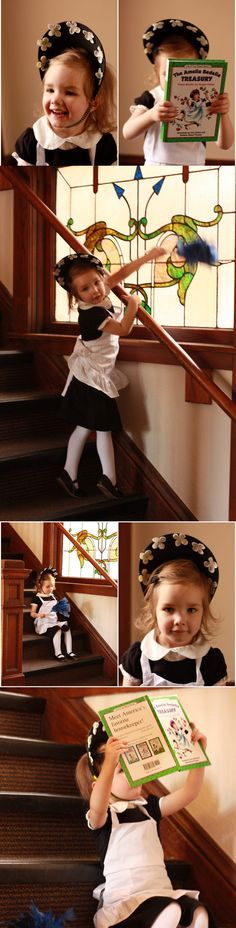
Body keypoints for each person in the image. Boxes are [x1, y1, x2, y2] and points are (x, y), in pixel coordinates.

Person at [75, 718, 217, 927]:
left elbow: (189, 793)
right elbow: (97, 805)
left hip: (161, 893)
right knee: (170, 910)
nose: (134, 776)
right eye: (122, 771)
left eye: (135, 767)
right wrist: (110, 764)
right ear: (99, 783)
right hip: (128, 903)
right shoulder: (102, 816)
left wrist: (197, 755)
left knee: (199, 913)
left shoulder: (148, 807)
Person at [54, 246, 165, 499]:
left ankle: (69, 474)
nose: (95, 290)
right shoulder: (92, 315)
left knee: (85, 428)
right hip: (91, 378)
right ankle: (108, 480)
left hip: (94, 375)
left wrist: (148, 256)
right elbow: (124, 328)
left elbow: (121, 273)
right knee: (101, 429)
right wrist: (134, 304)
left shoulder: (99, 291)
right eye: (85, 289)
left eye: (97, 282)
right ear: (75, 296)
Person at [120, 533, 228, 686]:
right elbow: (126, 703)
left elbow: (219, 705)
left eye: (191, 610)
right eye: (169, 609)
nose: (180, 620)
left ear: (203, 612)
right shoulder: (138, 657)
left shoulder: (211, 662)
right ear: (154, 611)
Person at [122, 19, 234, 165]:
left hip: (194, 168)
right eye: (165, 74)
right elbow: (127, 132)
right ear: (156, 72)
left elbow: (225, 145)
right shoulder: (151, 97)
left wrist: (223, 113)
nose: (172, 80)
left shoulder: (205, 98)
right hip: (156, 167)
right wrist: (151, 115)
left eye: (182, 73)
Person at [12, 20, 117, 166]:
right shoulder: (31, 141)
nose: (55, 99)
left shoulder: (102, 144)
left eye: (69, 92)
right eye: (50, 90)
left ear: (94, 101)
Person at [30, 565, 77, 661]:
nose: (50, 589)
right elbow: (32, 613)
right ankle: (58, 653)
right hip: (43, 623)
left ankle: (69, 651)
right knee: (58, 630)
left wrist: (61, 610)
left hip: (53, 620)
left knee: (66, 628)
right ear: (40, 585)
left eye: (52, 586)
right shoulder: (37, 598)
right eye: (47, 586)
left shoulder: (52, 596)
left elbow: (54, 609)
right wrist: (39, 615)